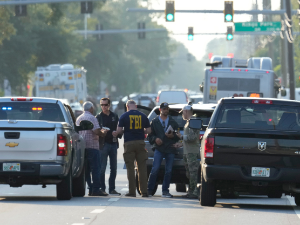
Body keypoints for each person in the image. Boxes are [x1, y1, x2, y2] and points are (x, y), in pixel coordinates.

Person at [112, 100, 151, 197]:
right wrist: (142, 130)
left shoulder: (124, 116)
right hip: (141, 143)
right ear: (136, 106)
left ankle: (132, 191)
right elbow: (149, 130)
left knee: (130, 168)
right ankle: (144, 191)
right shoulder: (143, 116)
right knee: (142, 168)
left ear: (127, 106)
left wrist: (122, 131)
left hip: (129, 143)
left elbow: (119, 131)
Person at [147, 102, 180, 198]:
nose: (166, 110)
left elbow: (178, 136)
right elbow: (149, 136)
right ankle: (149, 190)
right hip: (159, 148)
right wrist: (155, 139)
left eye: (167, 109)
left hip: (170, 148)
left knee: (168, 171)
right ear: (160, 110)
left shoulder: (173, 122)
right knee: (155, 169)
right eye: (164, 109)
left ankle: (165, 191)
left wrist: (172, 135)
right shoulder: (154, 121)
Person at [76, 101, 108, 196]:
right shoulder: (92, 118)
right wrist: (103, 133)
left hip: (82, 147)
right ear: (91, 109)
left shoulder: (78, 118)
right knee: (96, 169)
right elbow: (97, 131)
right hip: (93, 147)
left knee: (86, 170)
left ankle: (90, 188)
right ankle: (96, 189)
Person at [96, 97, 121, 196]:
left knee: (114, 168)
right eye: (102, 105)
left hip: (113, 143)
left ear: (109, 105)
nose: (104, 107)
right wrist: (102, 132)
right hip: (103, 144)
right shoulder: (98, 117)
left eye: (105, 105)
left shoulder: (114, 115)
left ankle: (112, 188)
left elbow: (120, 128)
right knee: (102, 168)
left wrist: (117, 133)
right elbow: (95, 131)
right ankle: (102, 188)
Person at [174, 105, 200, 199]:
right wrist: (181, 143)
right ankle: (191, 191)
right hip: (187, 151)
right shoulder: (189, 122)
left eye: (183, 112)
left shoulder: (194, 122)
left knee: (193, 173)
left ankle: (194, 192)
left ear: (186, 111)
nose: (182, 115)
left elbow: (192, 137)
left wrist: (181, 137)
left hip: (192, 152)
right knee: (189, 173)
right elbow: (188, 138)